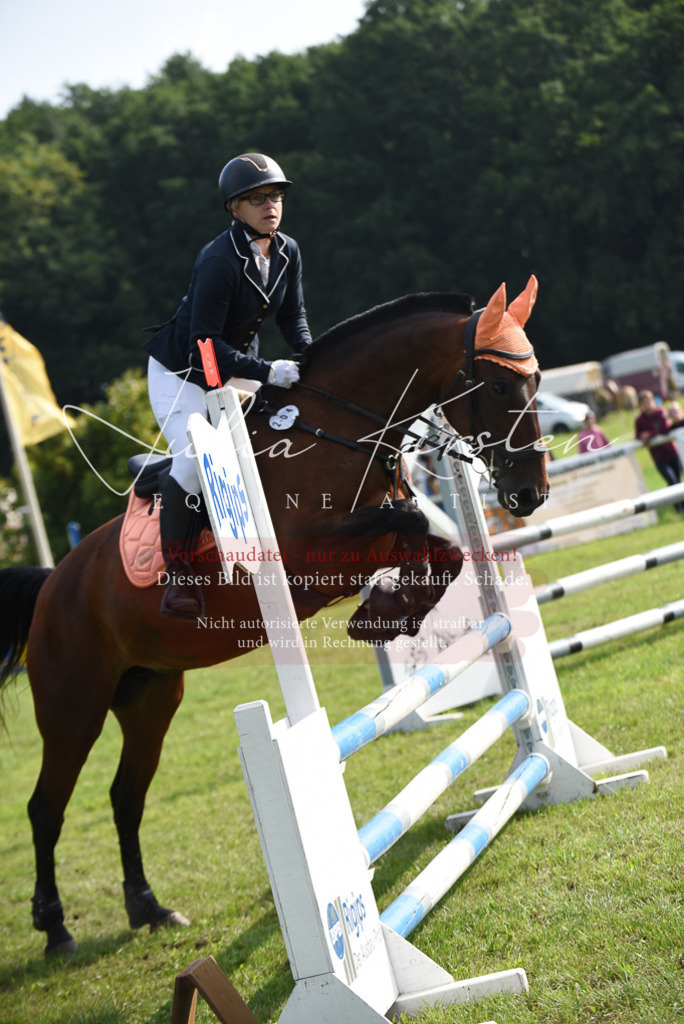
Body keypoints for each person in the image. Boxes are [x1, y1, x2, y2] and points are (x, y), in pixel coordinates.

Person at [143, 153, 313, 618]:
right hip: (182, 373)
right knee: (199, 461)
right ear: (234, 209)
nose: (270, 206)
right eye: (257, 199)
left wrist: (311, 358)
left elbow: (292, 316)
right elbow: (203, 342)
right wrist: (266, 371)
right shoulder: (218, 260)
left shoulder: (287, 250)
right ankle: (180, 581)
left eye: (275, 196)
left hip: (232, 365)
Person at [634, 390, 684, 511]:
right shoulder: (639, 420)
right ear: (640, 405)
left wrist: (649, 434)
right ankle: (679, 508)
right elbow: (638, 436)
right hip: (658, 457)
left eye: (649, 402)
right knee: (671, 481)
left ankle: (679, 507)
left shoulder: (660, 412)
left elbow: (665, 429)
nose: (648, 405)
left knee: (677, 480)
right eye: (644, 403)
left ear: (653, 401)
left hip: (672, 452)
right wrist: (642, 436)